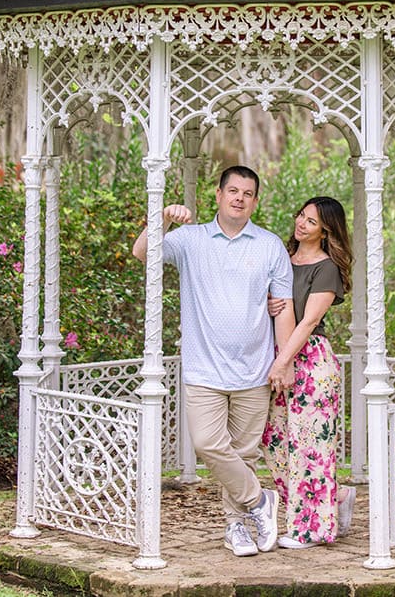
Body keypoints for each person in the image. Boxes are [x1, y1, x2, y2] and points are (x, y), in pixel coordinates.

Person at [132, 165, 293, 558]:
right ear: (218, 195)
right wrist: (163, 218)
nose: (239, 197)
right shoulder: (190, 239)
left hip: (255, 370)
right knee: (208, 444)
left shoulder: (270, 245)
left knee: (244, 453)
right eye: (232, 190)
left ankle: (236, 526)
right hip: (204, 369)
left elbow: (283, 306)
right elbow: (142, 252)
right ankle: (259, 503)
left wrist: (282, 362)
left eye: (248, 193)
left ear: (255, 201)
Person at [261, 196, 355, 549]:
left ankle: (311, 529)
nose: (301, 223)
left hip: (310, 360)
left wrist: (284, 361)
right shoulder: (283, 258)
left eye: (311, 221)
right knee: (273, 439)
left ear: (325, 230)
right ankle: (337, 497)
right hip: (277, 356)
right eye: (301, 215)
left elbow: (310, 319)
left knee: (311, 446)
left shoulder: (326, 267)